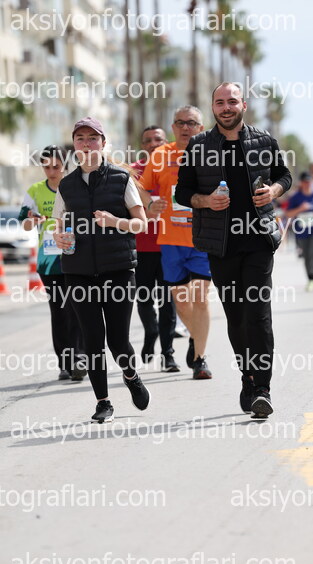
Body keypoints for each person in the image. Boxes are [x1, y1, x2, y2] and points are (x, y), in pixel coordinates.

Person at [175, 82, 292, 418]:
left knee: (258, 314)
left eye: (232, 101)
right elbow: (183, 193)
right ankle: (248, 376)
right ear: (213, 107)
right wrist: (206, 201)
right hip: (221, 245)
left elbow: (284, 175)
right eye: (220, 102)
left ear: (244, 105)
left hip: (258, 241)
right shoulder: (199, 145)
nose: (226, 107)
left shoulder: (263, 140)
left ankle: (262, 389)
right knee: (237, 317)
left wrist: (273, 191)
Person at [52, 117, 150, 424]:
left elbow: (141, 224)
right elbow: (58, 225)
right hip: (78, 272)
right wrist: (59, 237)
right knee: (92, 340)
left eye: (92, 138)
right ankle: (103, 402)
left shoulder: (121, 179)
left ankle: (131, 375)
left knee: (118, 341)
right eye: (80, 138)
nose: (86, 144)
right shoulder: (66, 185)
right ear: (74, 145)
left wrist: (114, 221)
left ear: (103, 143)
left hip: (118, 270)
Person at [142, 106, 213, 380]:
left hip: (202, 238)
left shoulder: (212, 153)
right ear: (173, 127)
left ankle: (200, 359)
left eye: (191, 123)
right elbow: (140, 186)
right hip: (171, 240)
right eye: (180, 122)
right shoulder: (160, 155)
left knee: (200, 298)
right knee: (181, 303)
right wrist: (150, 203)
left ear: (201, 128)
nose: (185, 127)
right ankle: (196, 337)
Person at [19, 145, 86, 382]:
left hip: (76, 256)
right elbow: (24, 223)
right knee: (59, 312)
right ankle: (66, 364)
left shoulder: (75, 187)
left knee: (78, 308)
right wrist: (32, 220)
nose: (51, 171)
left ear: (65, 166)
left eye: (56, 167)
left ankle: (80, 358)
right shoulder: (35, 190)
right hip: (49, 262)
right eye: (46, 167)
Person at [131, 126, 179, 372]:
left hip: (170, 246)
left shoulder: (175, 167)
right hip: (141, 247)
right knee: (144, 299)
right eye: (147, 140)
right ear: (142, 145)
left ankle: (168, 354)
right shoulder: (132, 172)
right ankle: (151, 332)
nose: (152, 143)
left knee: (168, 302)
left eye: (157, 139)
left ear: (165, 142)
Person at [286, 172, 313, 291]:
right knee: (307, 254)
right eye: (305, 182)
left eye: (309, 181)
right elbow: (288, 213)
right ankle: (310, 279)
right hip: (302, 230)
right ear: (301, 183)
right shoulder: (296, 197)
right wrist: (300, 209)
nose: (307, 184)